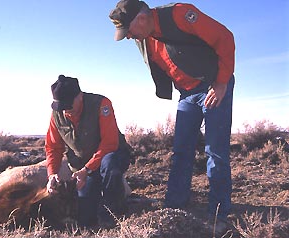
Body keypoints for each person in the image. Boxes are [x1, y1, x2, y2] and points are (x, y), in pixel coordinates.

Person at [109, 0, 235, 234]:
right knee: (181, 151)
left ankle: (219, 213)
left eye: (128, 31)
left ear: (142, 19)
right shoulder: (142, 37)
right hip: (187, 94)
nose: (128, 37)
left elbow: (225, 38)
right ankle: (174, 206)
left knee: (215, 151)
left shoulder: (179, 14)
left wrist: (221, 82)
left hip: (212, 86)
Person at [45, 75, 131, 228]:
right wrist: (52, 174)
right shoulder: (57, 114)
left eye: (67, 105)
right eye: (61, 107)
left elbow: (110, 143)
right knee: (85, 217)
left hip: (111, 157)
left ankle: (111, 211)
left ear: (79, 96)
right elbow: (53, 147)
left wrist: (87, 169)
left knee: (109, 164)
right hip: (85, 167)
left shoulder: (101, 104)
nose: (65, 111)